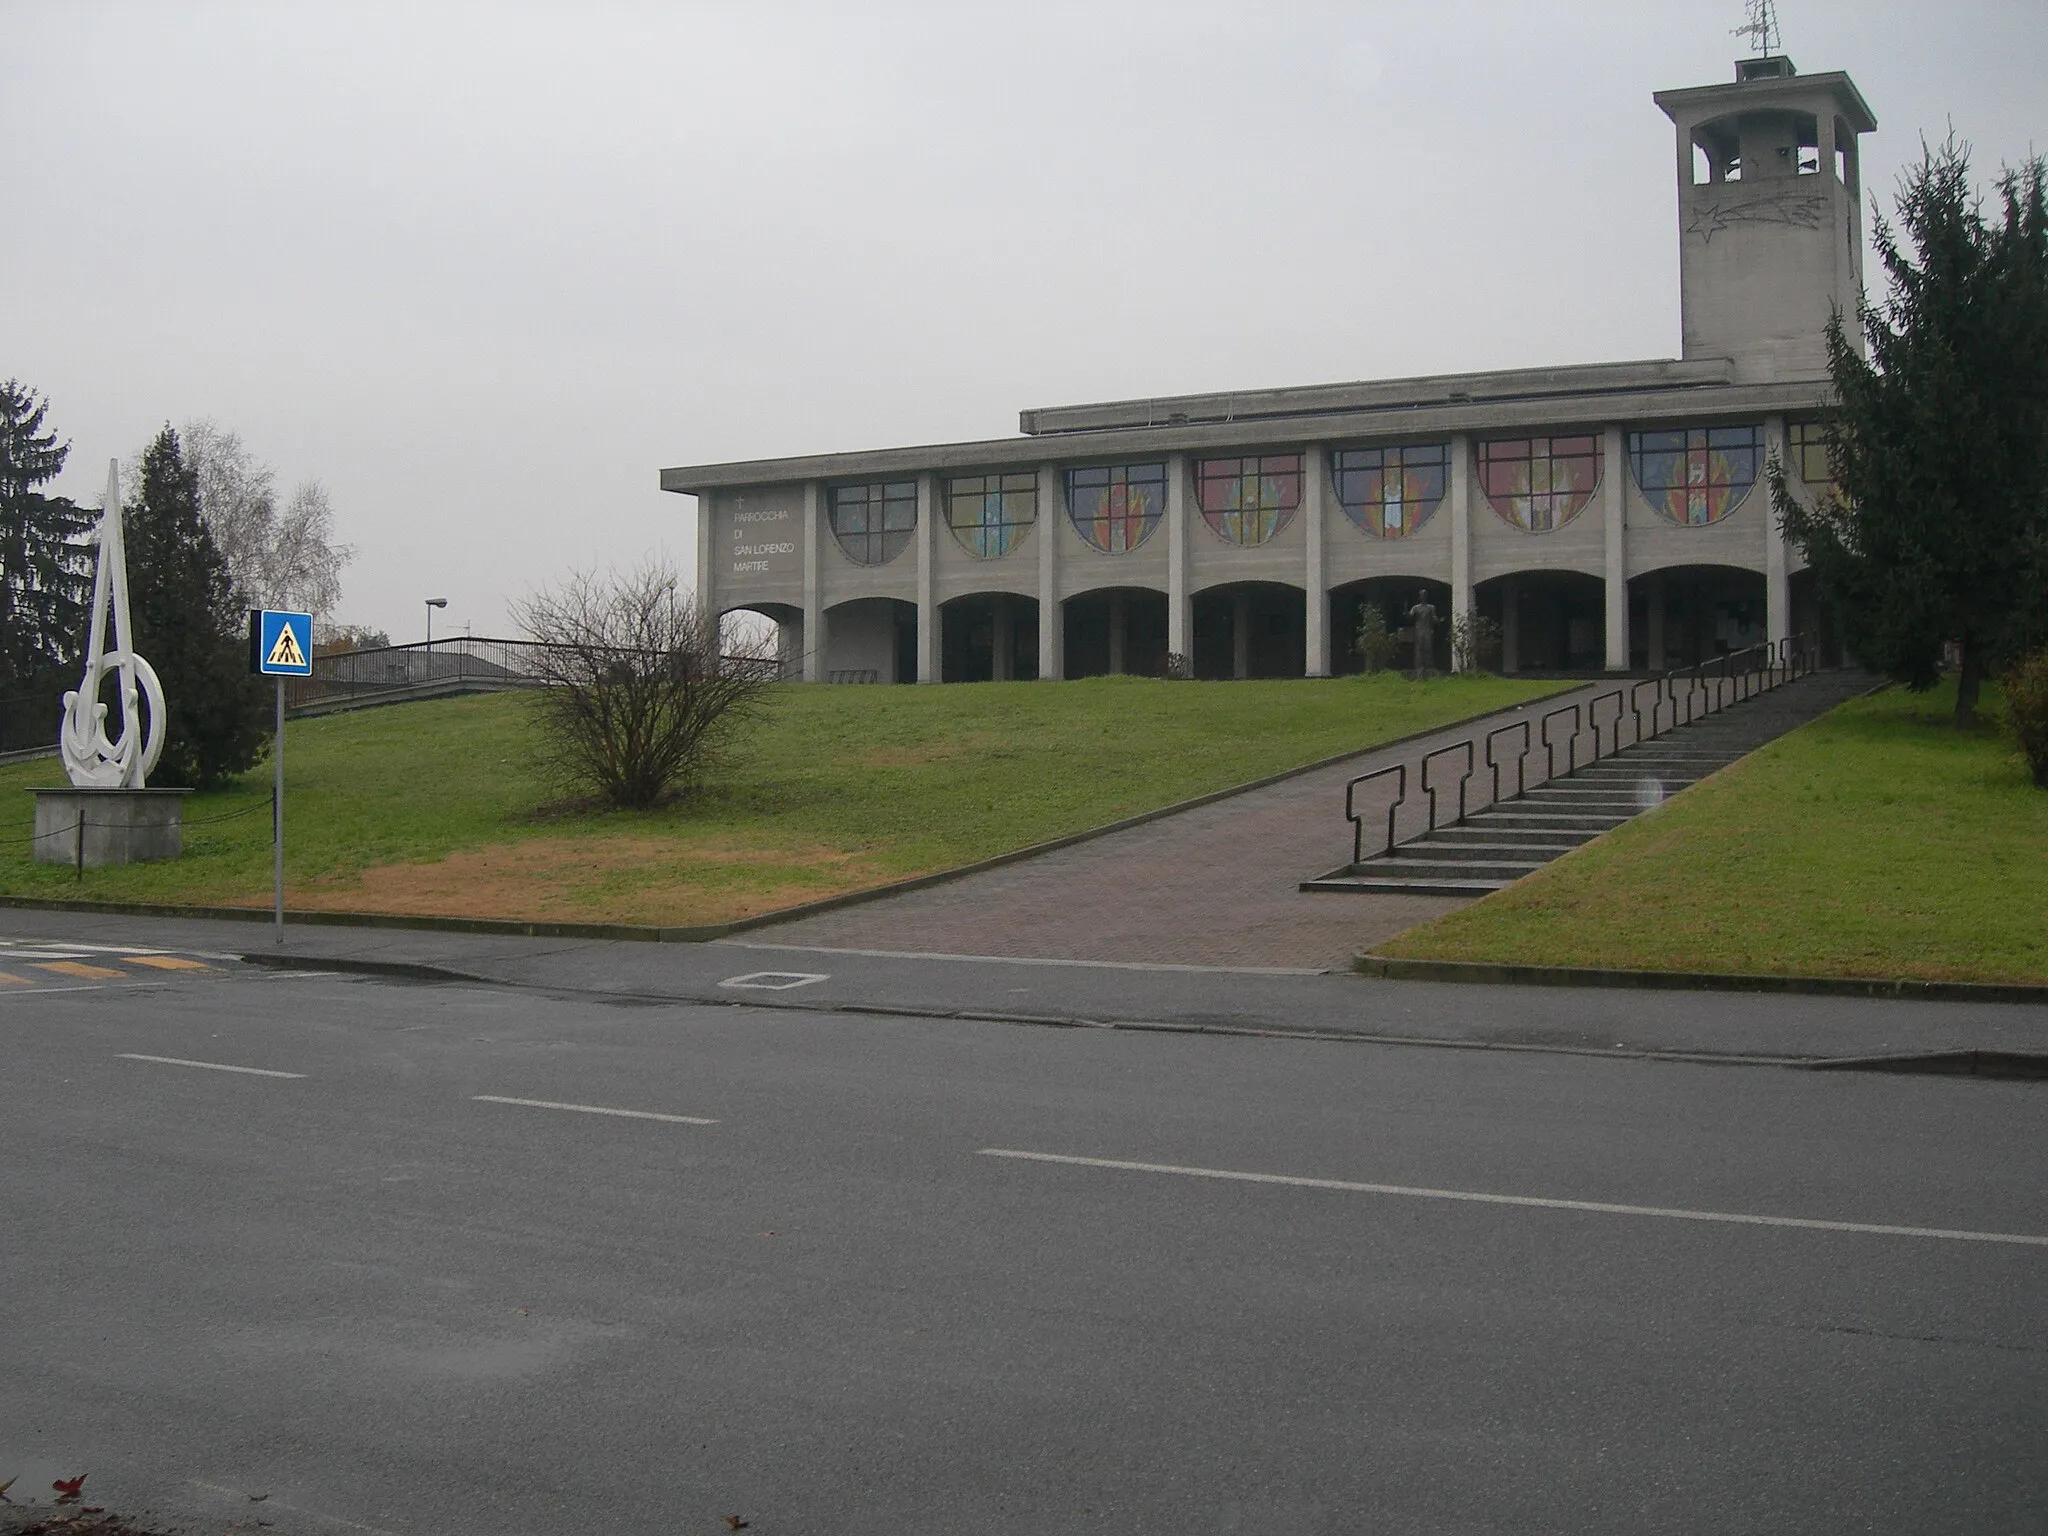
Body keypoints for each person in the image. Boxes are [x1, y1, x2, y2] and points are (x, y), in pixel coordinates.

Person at [1407, 589, 1441, 679]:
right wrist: (1406, 612)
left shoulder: (1431, 607)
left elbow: (1434, 617)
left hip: (1428, 630)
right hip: (1418, 630)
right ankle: (1419, 667)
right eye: (1421, 595)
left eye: (1425, 595)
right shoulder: (1415, 607)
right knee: (1418, 648)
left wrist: (1438, 621)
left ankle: (1429, 667)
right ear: (1419, 596)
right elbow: (1410, 616)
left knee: (1428, 648)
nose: (1423, 596)